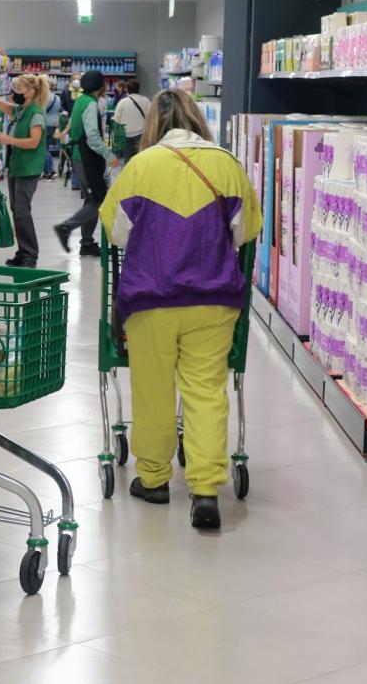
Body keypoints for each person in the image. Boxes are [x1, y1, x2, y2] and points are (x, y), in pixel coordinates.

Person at [99, 90, 261, 530]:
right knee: (207, 390)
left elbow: (114, 232)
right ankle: (206, 489)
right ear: (198, 119)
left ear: (154, 124)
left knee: (152, 388)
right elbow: (246, 230)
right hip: (213, 299)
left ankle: (153, 479)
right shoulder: (227, 164)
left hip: (151, 299)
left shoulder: (141, 166)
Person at [0, 73, 49, 267]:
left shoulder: (35, 114)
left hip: (28, 170)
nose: (14, 92)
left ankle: (30, 255)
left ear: (31, 92)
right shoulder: (20, 111)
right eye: (14, 87)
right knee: (17, 211)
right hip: (17, 168)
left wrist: (9, 140)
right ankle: (23, 252)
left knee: (22, 212)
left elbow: (34, 142)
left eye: (18, 89)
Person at [55, 70, 118, 258]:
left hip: (79, 156)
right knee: (98, 200)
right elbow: (92, 136)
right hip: (87, 158)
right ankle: (66, 227)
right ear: (100, 87)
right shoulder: (91, 104)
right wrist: (109, 155)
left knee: (91, 199)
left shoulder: (80, 101)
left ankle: (87, 243)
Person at [112, 79, 151, 165]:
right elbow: (151, 117)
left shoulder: (122, 102)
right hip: (141, 134)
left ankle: (129, 175)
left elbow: (116, 120)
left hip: (126, 135)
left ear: (127, 89)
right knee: (141, 158)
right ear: (138, 89)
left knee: (127, 158)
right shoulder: (146, 100)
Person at [42, 78, 63, 180]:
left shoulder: (46, 97)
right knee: (47, 147)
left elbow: (42, 111)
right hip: (54, 124)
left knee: (44, 148)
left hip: (46, 124)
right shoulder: (57, 97)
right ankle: (49, 170)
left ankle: (50, 171)